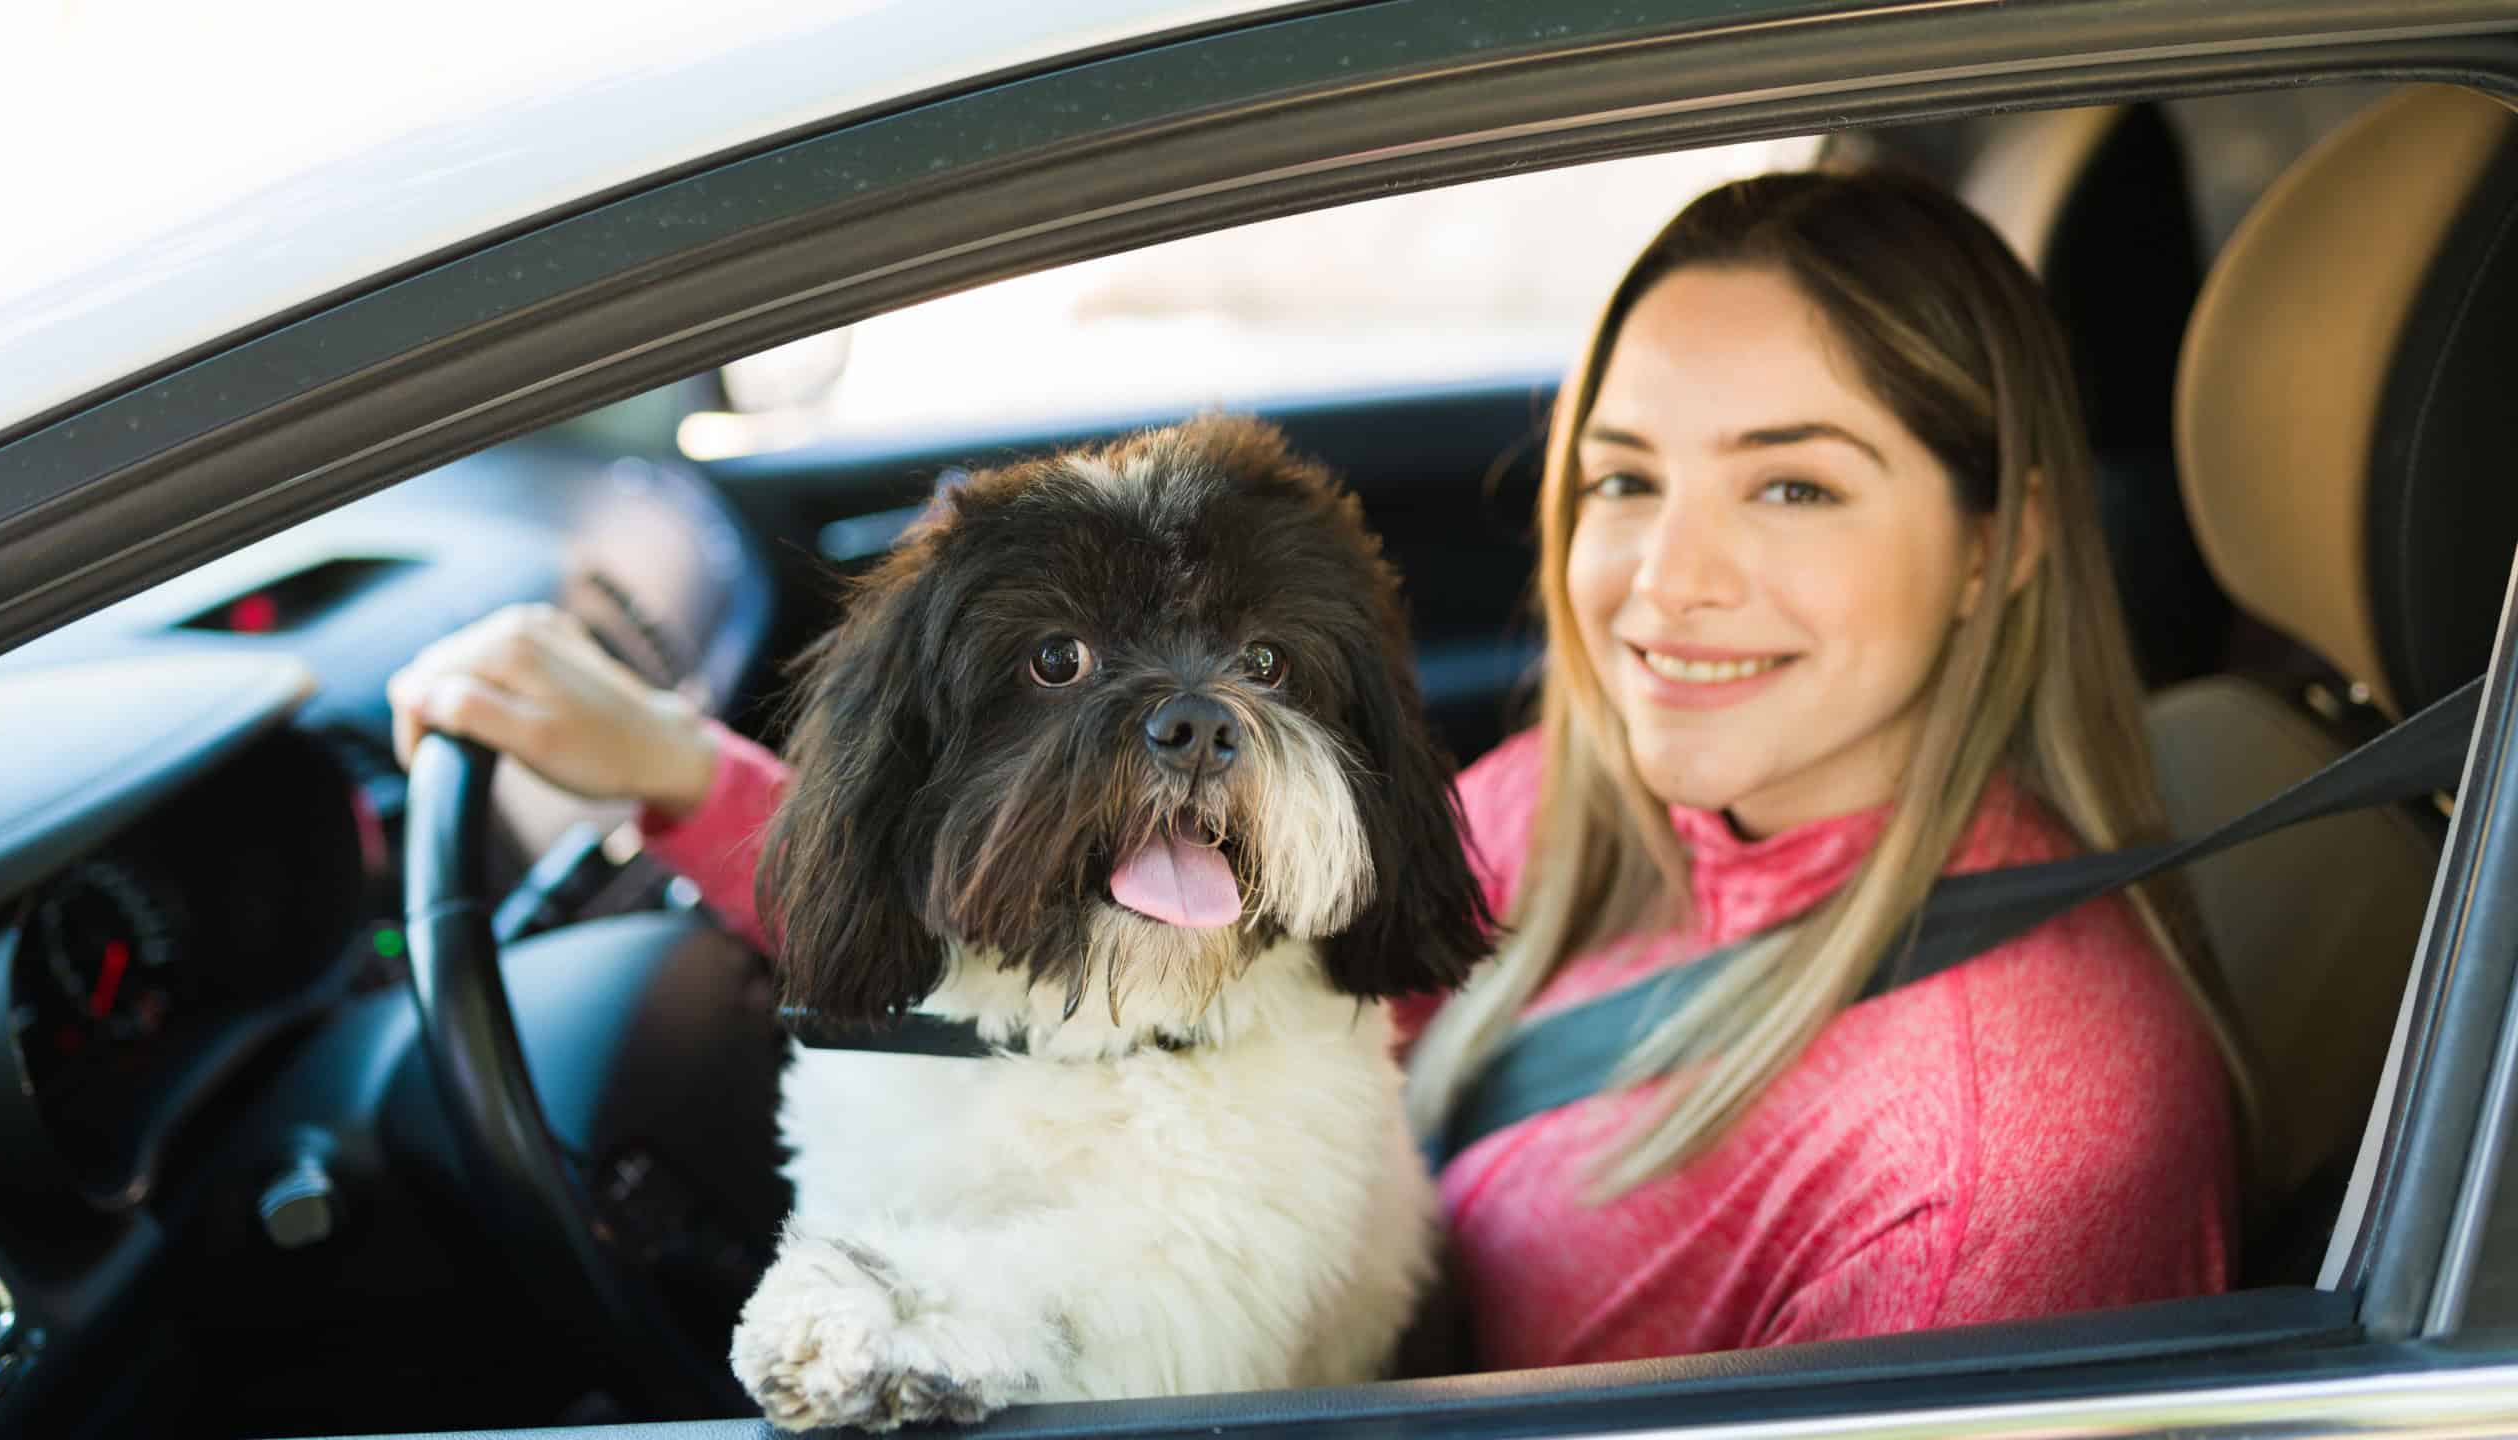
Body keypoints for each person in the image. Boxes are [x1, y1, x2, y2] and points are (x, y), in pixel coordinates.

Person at [388, 168, 2246, 1372]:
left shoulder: (2007, 1154)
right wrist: (673, 773)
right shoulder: (1623, 821)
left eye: (1792, 482)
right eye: (1624, 477)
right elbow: (1143, 905)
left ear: (2000, 541)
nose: (1666, 580)